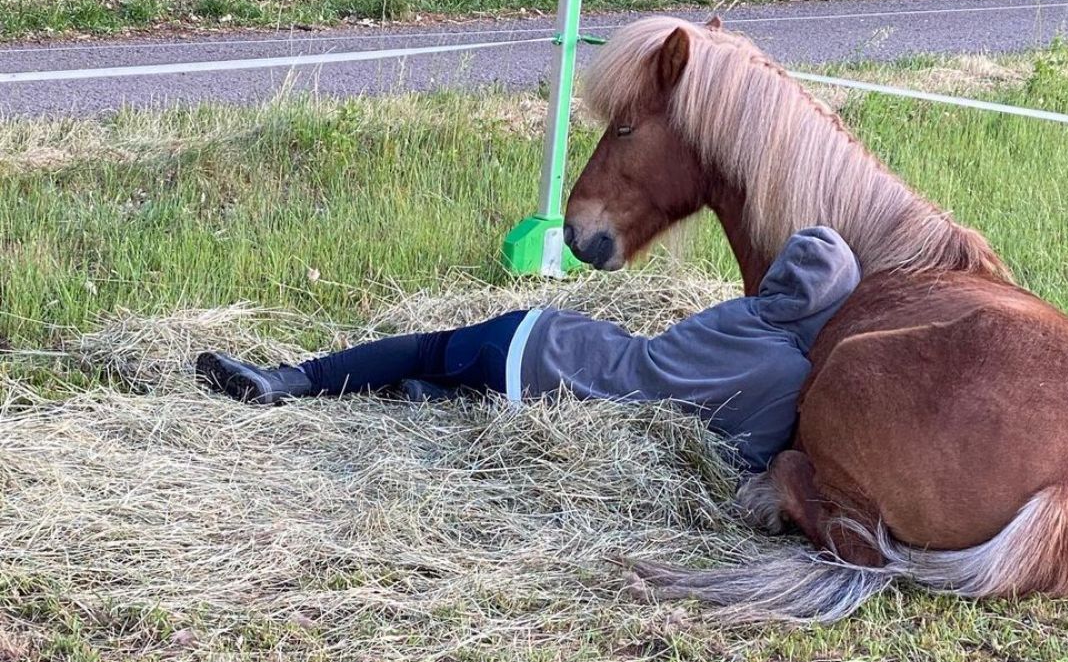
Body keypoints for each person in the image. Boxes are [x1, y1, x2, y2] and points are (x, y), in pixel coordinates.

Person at [196, 226, 860, 473]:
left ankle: (295, 377)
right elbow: (740, 460)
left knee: (424, 349)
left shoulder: (743, 312)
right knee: (443, 364)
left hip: (543, 337)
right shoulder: (791, 370)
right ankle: (307, 384)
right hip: (553, 395)